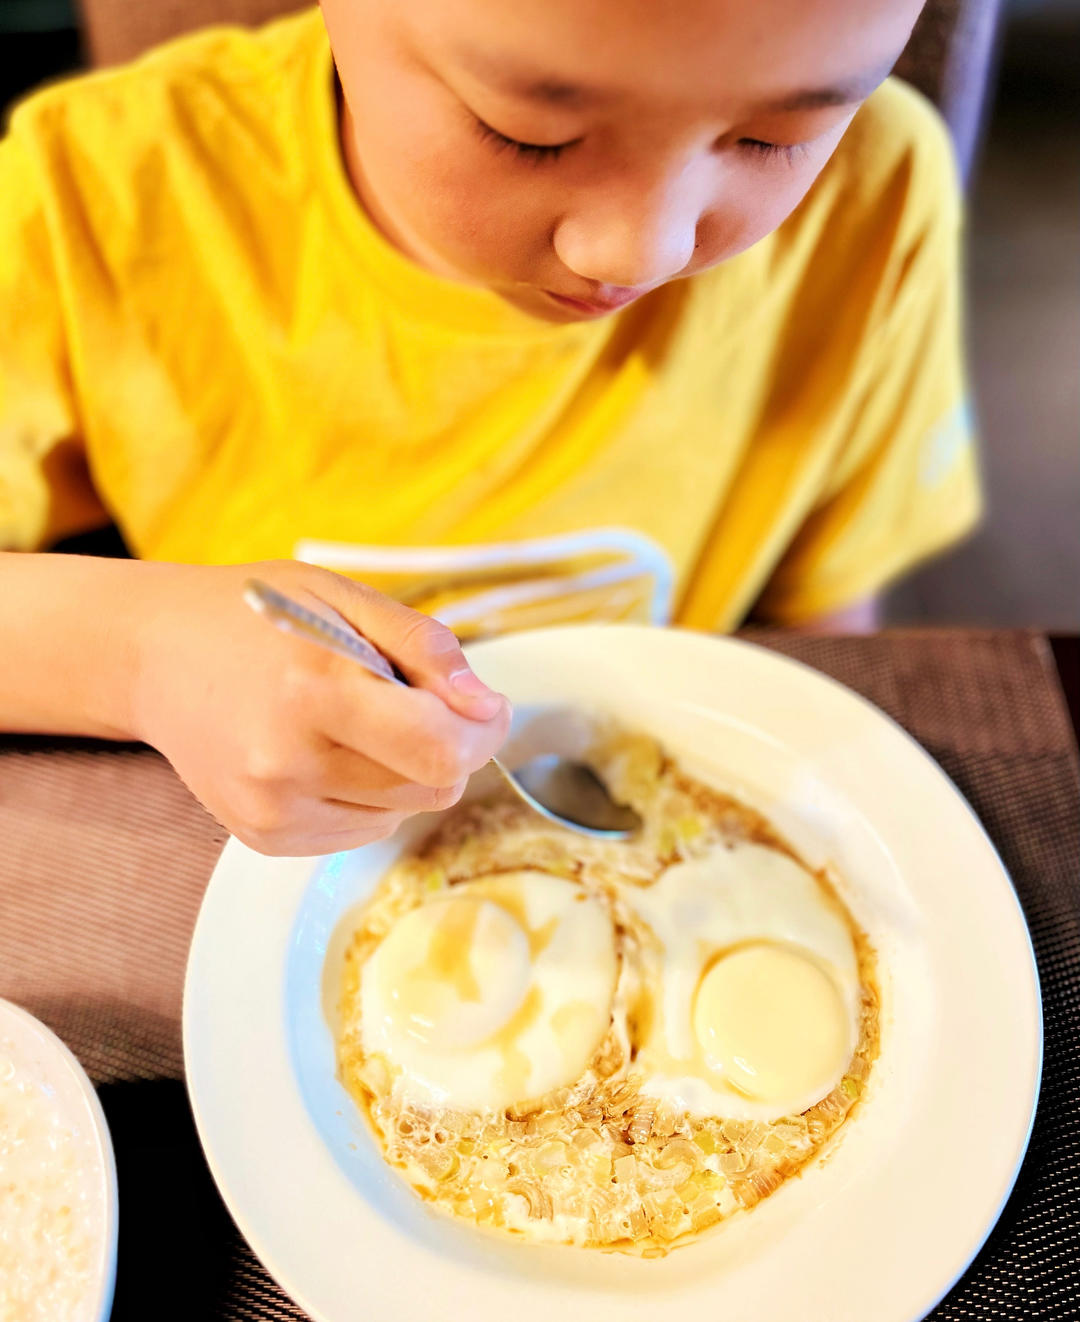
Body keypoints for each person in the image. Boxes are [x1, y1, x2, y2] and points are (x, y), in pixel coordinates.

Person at [0, 0, 980, 855]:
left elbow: (833, 620)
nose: (644, 246)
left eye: (773, 138)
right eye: (529, 133)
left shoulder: (875, 201)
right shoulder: (92, 200)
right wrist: (140, 657)